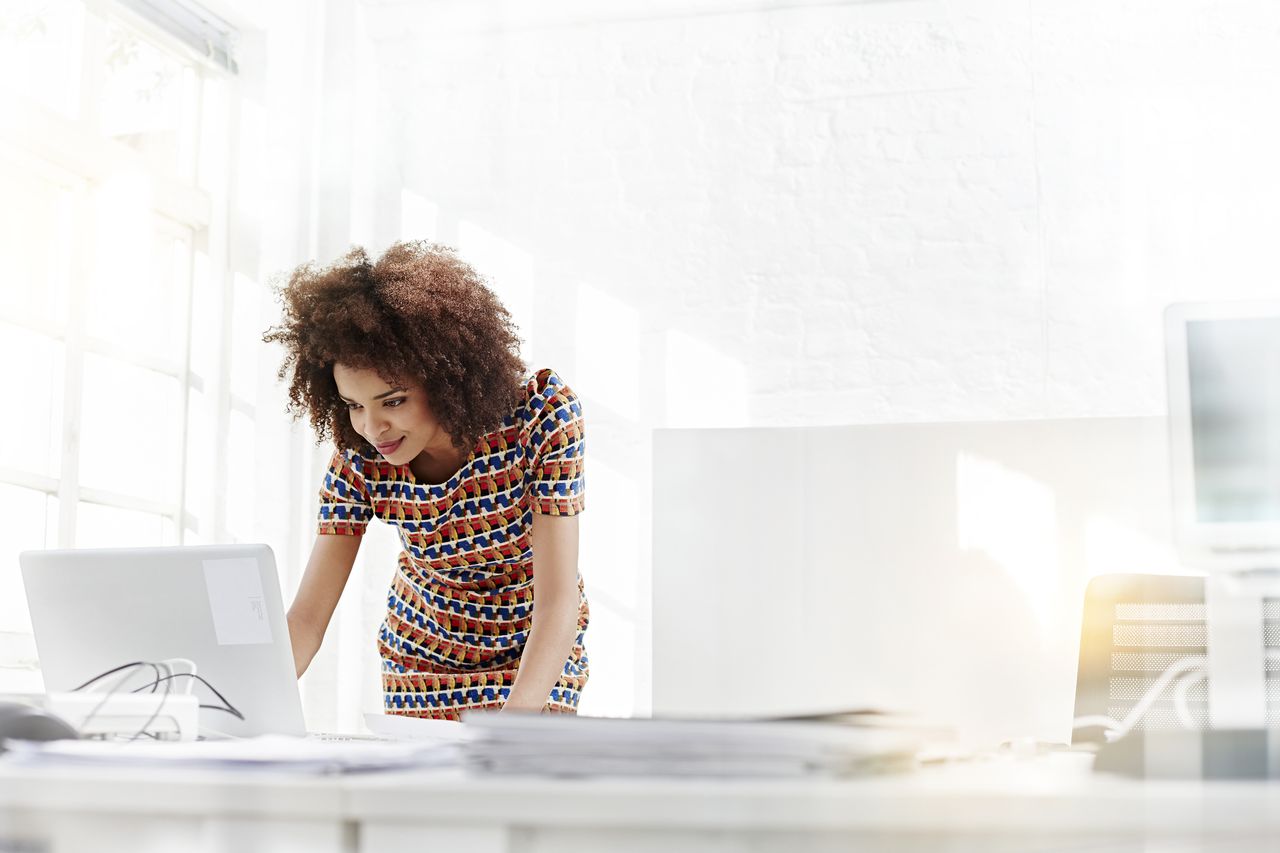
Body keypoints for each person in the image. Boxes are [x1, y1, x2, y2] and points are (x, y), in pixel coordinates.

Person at [264, 241, 588, 719]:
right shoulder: (361, 457)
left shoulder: (540, 416)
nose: (373, 428)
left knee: (516, 787)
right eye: (355, 405)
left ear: (445, 377)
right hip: (422, 662)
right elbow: (308, 618)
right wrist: (239, 705)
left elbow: (558, 601)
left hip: (535, 649)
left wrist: (513, 726)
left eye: (392, 400)